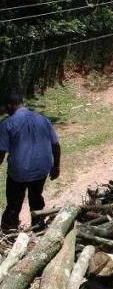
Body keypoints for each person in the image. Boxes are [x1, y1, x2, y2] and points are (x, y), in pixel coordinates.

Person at [0, 93, 61, 231]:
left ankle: (8, 231)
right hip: (41, 170)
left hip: (19, 172)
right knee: (36, 199)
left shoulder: (7, 124)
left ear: (9, 106)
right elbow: (56, 145)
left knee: (14, 204)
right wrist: (56, 166)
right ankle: (38, 228)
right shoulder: (43, 119)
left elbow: (1, 152)